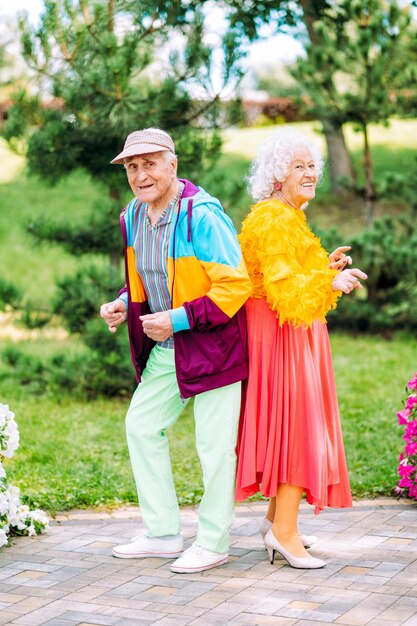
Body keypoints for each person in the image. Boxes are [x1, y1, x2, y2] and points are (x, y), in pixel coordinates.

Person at [100, 128, 251, 574]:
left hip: (214, 346)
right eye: (132, 166)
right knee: (142, 426)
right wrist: (123, 303)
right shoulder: (132, 215)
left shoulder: (201, 216)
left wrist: (178, 318)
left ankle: (213, 541)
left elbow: (235, 285)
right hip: (168, 347)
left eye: (149, 163)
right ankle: (164, 533)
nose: (140, 174)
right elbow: (144, 276)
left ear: (172, 164)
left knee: (214, 447)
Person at [235, 127, 367, 570]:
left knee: (293, 423)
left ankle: (277, 519)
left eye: (312, 165)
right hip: (279, 333)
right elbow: (282, 286)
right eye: (299, 166)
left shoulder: (288, 215)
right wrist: (327, 280)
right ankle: (285, 532)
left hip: (289, 330)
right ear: (277, 175)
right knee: (296, 425)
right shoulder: (273, 218)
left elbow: (294, 273)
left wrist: (325, 268)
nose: (310, 173)